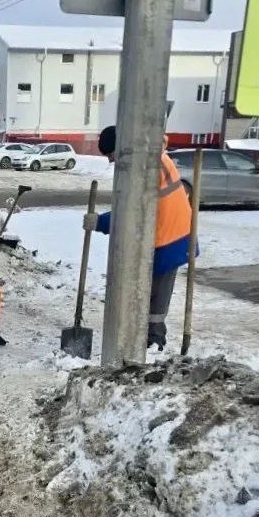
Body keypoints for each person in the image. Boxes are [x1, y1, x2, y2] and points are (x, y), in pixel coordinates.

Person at [90, 126, 194, 350]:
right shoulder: (151, 154)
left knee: (156, 297)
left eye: (111, 156)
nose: (111, 162)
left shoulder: (143, 166)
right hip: (170, 232)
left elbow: (132, 213)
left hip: (167, 237)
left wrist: (100, 222)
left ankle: (154, 343)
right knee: (151, 294)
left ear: (121, 148)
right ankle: (146, 340)